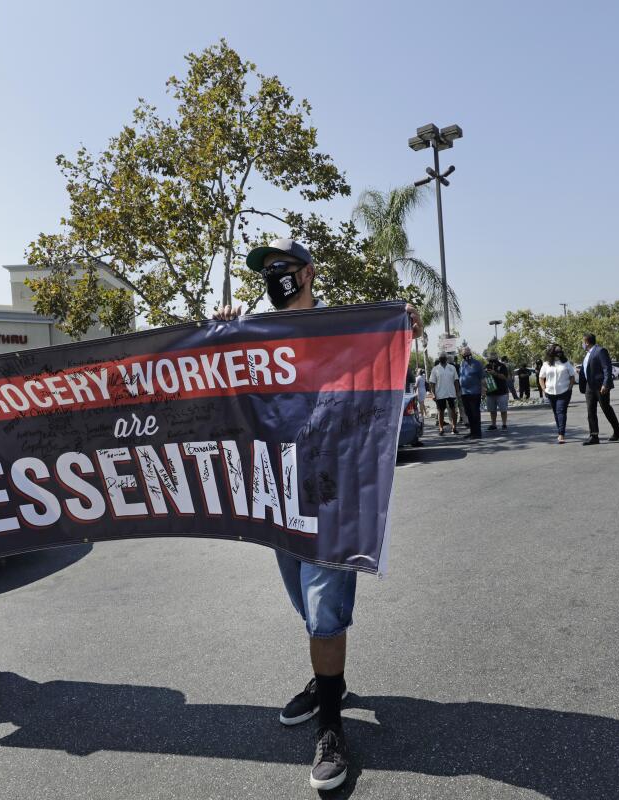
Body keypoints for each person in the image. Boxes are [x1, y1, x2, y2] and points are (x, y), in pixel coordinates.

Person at [216, 237, 423, 791]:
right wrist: (223, 326)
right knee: (306, 609)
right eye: (266, 270)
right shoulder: (249, 337)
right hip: (280, 498)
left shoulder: (342, 330)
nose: (274, 275)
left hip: (331, 496)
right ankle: (326, 681)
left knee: (325, 611)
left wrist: (401, 323)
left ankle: (331, 728)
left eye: (283, 267)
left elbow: (387, 357)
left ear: (307, 273)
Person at [578, 333, 619, 446]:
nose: (582, 344)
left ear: (587, 342)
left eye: (582, 342)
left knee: (606, 408)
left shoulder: (600, 351)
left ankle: (617, 430)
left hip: (600, 386)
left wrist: (606, 384)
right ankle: (594, 436)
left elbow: (607, 368)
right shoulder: (588, 354)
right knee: (590, 410)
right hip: (589, 386)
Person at [538, 344, 576, 444]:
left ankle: (561, 434)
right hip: (550, 392)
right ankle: (560, 431)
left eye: (560, 351)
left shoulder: (566, 363)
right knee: (556, 413)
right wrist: (544, 389)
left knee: (561, 412)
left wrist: (570, 388)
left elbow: (572, 376)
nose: (559, 352)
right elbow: (541, 377)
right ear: (551, 352)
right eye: (557, 351)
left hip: (564, 392)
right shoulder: (546, 364)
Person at [458, 346, 485, 440]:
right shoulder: (462, 363)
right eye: (464, 354)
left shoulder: (477, 363)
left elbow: (482, 378)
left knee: (475, 413)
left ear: (470, 353)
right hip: (464, 393)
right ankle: (472, 432)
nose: (466, 355)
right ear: (462, 355)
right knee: (468, 413)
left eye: (467, 353)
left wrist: (483, 390)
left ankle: (477, 433)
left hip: (475, 392)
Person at [429, 354, 460, 434]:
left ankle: (454, 427)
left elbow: (456, 380)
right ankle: (441, 428)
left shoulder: (452, 368)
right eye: (441, 357)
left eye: (444, 357)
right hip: (440, 393)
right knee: (440, 411)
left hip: (451, 392)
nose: (442, 358)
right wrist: (433, 393)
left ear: (446, 359)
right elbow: (432, 383)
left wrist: (457, 392)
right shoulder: (435, 369)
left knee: (454, 411)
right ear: (439, 359)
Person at [485, 354, 510, 431]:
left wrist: (495, 373)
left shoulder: (502, 366)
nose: (491, 361)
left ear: (497, 358)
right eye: (490, 359)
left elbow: (505, 377)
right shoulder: (486, 366)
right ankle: (493, 424)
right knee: (492, 410)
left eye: (493, 359)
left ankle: (504, 424)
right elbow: (483, 377)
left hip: (501, 392)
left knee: (503, 409)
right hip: (490, 391)